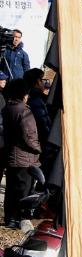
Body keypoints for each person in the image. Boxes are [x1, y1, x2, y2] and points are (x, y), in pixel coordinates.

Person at [2, 78, 41, 231]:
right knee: (23, 190)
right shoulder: (24, 111)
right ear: (24, 94)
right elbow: (29, 135)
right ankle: (19, 218)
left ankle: (9, 218)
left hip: (11, 155)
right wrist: (38, 148)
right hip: (25, 157)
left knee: (11, 188)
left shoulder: (7, 109)